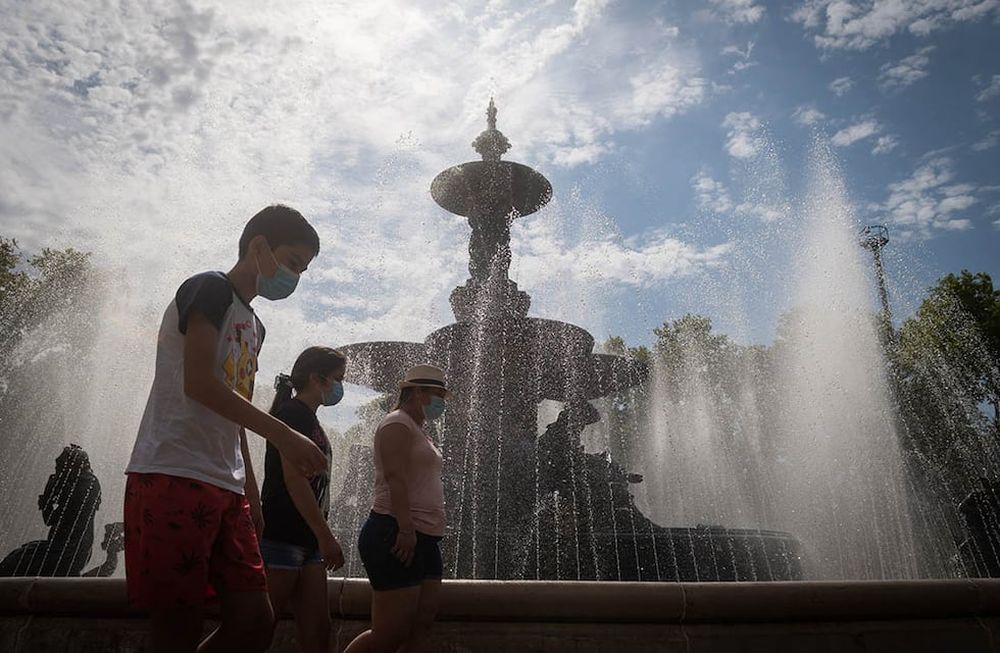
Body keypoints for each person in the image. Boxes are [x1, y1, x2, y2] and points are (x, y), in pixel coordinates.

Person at [123, 205, 329, 653]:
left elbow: (235, 411)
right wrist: (283, 434)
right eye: (292, 262)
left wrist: (249, 491)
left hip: (227, 487)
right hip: (172, 473)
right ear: (259, 247)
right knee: (177, 627)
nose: (295, 277)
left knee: (256, 620)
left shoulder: (255, 325)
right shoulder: (209, 289)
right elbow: (199, 383)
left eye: (302, 270)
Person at [344, 364, 450, 653]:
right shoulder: (397, 423)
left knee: (421, 622)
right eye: (438, 394)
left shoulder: (419, 429)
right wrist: (404, 528)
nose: (442, 401)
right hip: (395, 531)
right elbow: (395, 477)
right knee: (389, 633)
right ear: (417, 392)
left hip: (425, 536)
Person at [260, 346, 348, 653]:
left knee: (318, 633)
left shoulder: (307, 417)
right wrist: (326, 537)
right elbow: (294, 480)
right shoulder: (294, 414)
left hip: (306, 540)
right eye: (338, 379)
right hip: (284, 535)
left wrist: (319, 536)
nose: (341, 387)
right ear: (316, 378)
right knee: (257, 631)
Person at [0, 444, 101, 577]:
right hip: (72, 551)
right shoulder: (87, 485)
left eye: (59, 466)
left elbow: (50, 519)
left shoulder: (82, 489)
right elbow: (51, 520)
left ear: (70, 466)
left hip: (64, 553)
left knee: (14, 562)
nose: (56, 470)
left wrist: (47, 498)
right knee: (20, 556)